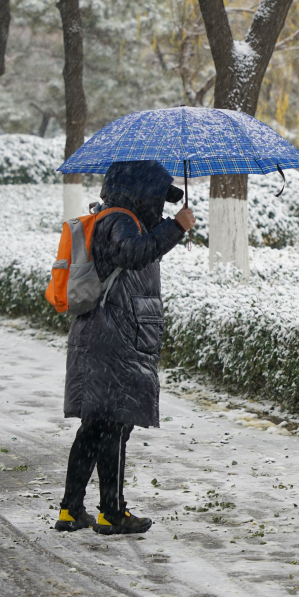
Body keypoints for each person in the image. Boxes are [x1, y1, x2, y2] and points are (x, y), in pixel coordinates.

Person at [56, 160, 196, 535]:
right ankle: (112, 512)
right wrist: (176, 227)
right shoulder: (119, 220)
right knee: (114, 426)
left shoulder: (114, 217)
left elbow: (138, 252)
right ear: (142, 192)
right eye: (158, 199)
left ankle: (71, 510)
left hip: (104, 333)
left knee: (96, 426)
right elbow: (133, 254)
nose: (161, 208)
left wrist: (168, 226)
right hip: (113, 336)